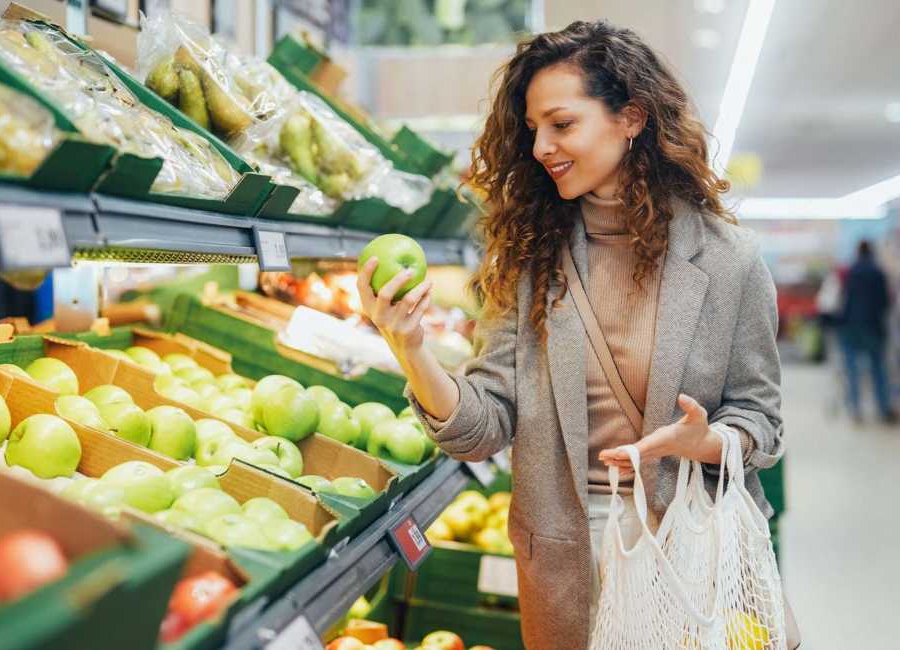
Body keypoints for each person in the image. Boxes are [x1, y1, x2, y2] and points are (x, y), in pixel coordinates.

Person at [358, 21, 784, 650]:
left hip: (688, 546)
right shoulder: (528, 259)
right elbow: (483, 429)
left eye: (561, 124)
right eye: (532, 130)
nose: (540, 147)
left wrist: (709, 440)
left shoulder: (729, 261)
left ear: (631, 118)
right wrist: (411, 348)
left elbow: (762, 422)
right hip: (566, 554)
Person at [839, 240, 895, 423]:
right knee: (878, 369)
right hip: (873, 327)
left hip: (852, 327)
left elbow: (845, 300)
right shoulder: (878, 272)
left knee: (853, 371)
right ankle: (884, 408)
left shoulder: (851, 272)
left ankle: (856, 410)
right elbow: (885, 302)